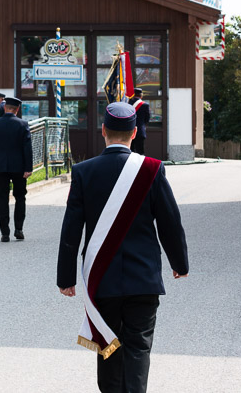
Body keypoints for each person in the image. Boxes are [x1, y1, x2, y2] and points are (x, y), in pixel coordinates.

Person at [57, 102, 188, 393]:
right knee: (138, 348)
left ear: (103, 130)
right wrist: (179, 263)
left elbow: (71, 230)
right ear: (135, 133)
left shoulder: (83, 171)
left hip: (102, 280)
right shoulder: (152, 169)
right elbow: (170, 221)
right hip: (143, 278)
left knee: (108, 345)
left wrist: (66, 278)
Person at [0, 96, 33, 242]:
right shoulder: (23, 124)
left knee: (2, 199)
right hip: (19, 167)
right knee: (20, 197)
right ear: (17, 110)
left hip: (0, 166)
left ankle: (5, 233)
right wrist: (28, 168)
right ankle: (19, 229)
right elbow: (27, 148)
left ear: (5, 108)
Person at [128, 88, 151, 155]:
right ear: (141, 95)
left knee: (130, 152)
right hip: (140, 131)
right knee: (140, 152)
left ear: (133, 95)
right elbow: (147, 119)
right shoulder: (145, 105)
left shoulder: (128, 104)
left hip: (129, 131)